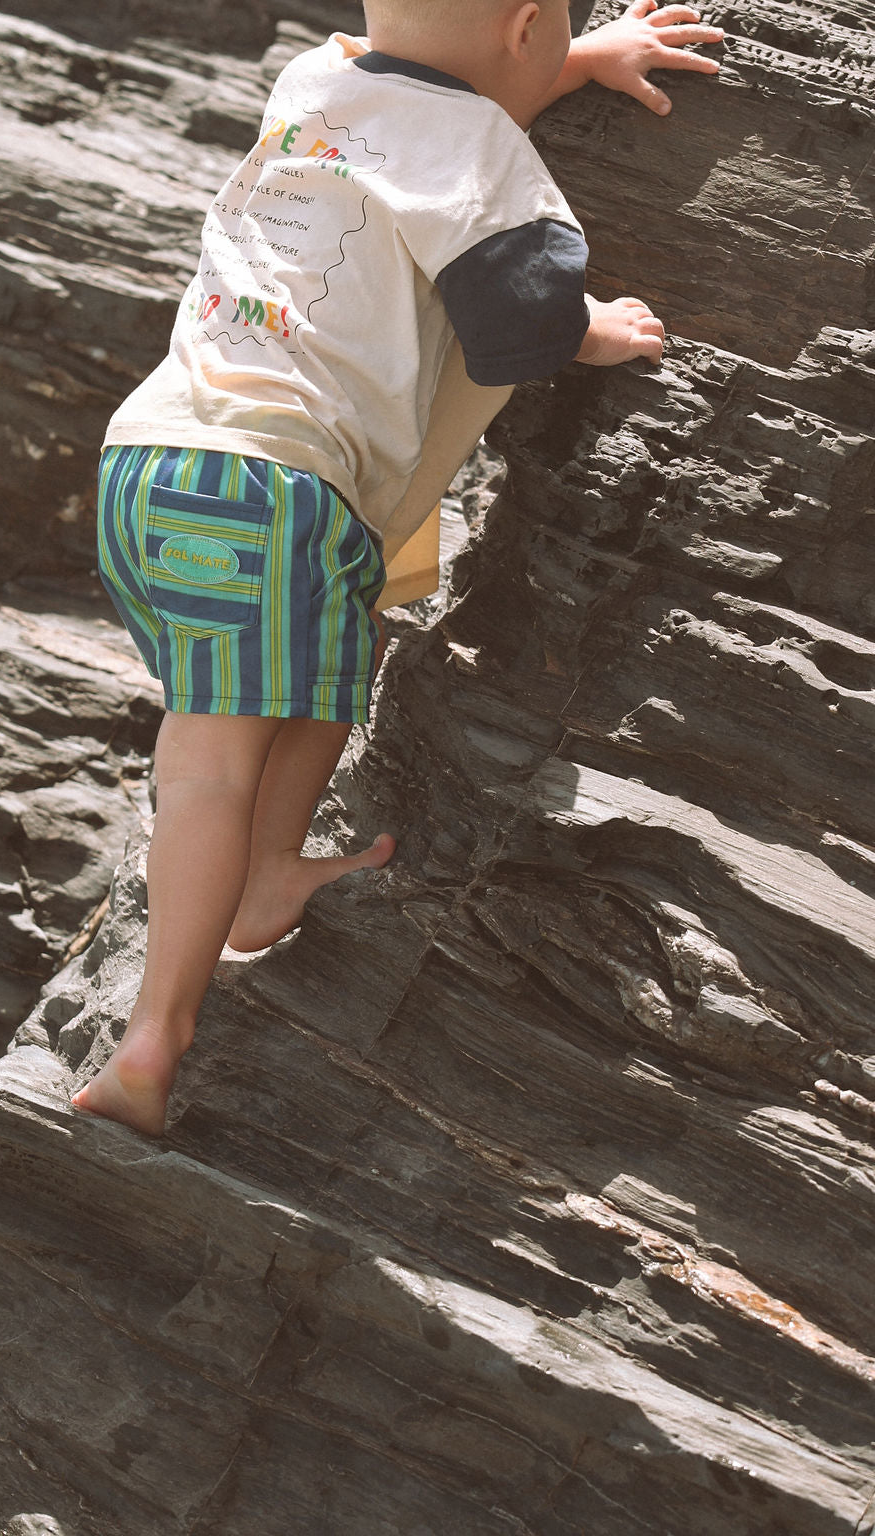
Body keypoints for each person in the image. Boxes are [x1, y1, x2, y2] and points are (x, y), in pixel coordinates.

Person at [72, 0, 724, 1135]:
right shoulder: (485, 154)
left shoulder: (312, 87)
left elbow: (418, 84)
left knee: (324, 657)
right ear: (526, 26)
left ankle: (267, 874)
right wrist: (595, 329)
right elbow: (517, 318)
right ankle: (153, 1036)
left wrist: (572, 61)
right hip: (273, 487)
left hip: (148, 462)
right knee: (215, 765)